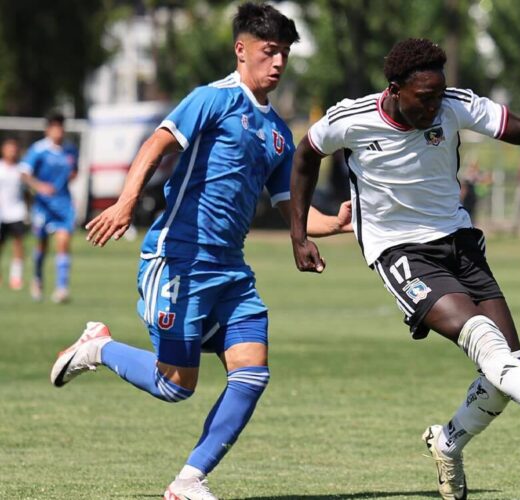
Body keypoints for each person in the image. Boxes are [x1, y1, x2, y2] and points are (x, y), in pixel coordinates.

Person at [290, 38, 520, 500]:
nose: (434, 106)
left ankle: (446, 443)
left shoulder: (454, 105)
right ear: (395, 89)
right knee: (486, 343)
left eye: (439, 95)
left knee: (506, 369)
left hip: (459, 242)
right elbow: (305, 157)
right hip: (398, 249)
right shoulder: (352, 118)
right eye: (424, 98)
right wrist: (299, 235)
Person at [49, 4, 351, 499]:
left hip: (231, 272)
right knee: (176, 386)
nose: (277, 63)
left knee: (252, 373)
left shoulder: (278, 133)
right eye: (268, 51)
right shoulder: (211, 100)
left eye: (284, 55)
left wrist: (334, 224)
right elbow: (155, 144)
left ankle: (188, 481)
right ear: (242, 50)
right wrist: (125, 204)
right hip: (179, 261)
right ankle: (97, 347)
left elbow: (290, 210)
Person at [19, 112, 78, 302]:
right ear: (48, 129)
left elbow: (74, 171)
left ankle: (62, 288)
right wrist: (40, 187)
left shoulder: (70, 150)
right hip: (43, 207)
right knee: (42, 246)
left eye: (61, 127)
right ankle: (37, 278)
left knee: (63, 242)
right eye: (55, 127)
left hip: (63, 205)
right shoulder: (39, 150)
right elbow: (25, 174)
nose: (58, 131)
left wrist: (68, 179)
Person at [0, 137, 28, 290]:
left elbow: (27, 193)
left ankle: (16, 277)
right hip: (2, 213)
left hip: (17, 212)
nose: (12, 152)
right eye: (9, 148)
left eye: (14, 149)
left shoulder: (21, 170)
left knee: (18, 244)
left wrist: (28, 210)